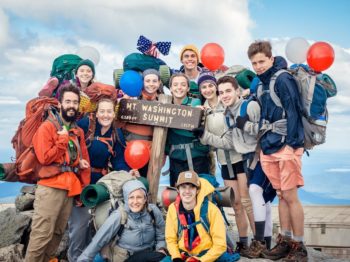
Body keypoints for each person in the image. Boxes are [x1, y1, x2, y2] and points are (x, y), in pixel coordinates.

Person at [196, 75, 276, 258]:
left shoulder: (230, 108)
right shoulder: (203, 110)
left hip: (241, 158)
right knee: (236, 204)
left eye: (211, 86)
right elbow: (222, 141)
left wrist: (205, 136)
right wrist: (203, 133)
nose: (208, 90)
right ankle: (244, 242)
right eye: (204, 87)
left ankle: (259, 242)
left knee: (248, 201)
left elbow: (230, 141)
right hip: (224, 161)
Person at [247, 40, 307, 261]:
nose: (259, 66)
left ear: (271, 58)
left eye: (262, 61)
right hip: (269, 146)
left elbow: (293, 112)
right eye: (254, 63)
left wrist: (292, 146)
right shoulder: (261, 84)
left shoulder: (282, 79)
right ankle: (285, 240)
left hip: (286, 146)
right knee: (281, 196)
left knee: (291, 196)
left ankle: (299, 246)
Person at [25, 83, 90, 262]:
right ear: (59, 104)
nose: (71, 105)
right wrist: (62, 140)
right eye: (67, 101)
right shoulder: (47, 127)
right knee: (41, 235)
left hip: (69, 189)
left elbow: (80, 159)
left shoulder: (77, 131)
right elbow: (44, 158)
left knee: (57, 234)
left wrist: (80, 168)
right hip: (50, 188)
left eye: (75, 102)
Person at [67, 98, 130, 261]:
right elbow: (70, 143)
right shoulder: (85, 125)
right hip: (79, 180)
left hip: (100, 185)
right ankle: (75, 258)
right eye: (102, 111)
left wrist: (128, 173)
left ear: (114, 114)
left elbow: (119, 161)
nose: (106, 115)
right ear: (96, 112)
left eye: (109, 111)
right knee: (79, 226)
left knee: (97, 225)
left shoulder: (116, 133)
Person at [77, 179, 167, 262]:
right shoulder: (119, 215)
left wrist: (161, 248)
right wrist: (83, 260)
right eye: (131, 197)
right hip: (126, 258)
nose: (135, 202)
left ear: (145, 199)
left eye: (139, 197)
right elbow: (99, 240)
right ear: (126, 199)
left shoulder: (153, 211)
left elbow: (161, 235)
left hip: (150, 256)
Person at [162, 170, 240, 262]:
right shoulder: (173, 208)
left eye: (191, 187)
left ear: (197, 190)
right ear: (178, 190)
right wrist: (176, 257)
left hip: (208, 255)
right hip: (182, 255)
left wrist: (201, 260)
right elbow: (170, 239)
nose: (187, 191)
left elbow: (220, 245)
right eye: (183, 187)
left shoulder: (211, 209)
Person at [164, 73, 210, 187]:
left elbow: (193, 125)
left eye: (183, 84)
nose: (179, 87)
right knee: (178, 193)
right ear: (170, 88)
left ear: (188, 88)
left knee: (201, 190)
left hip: (197, 157)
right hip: (176, 158)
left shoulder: (194, 103)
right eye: (175, 85)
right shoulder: (165, 106)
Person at [118, 69, 163, 177]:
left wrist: (162, 155)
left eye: (154, 81)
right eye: (147, 81)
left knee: (147, 186)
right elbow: (118, 124)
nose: (151, 84)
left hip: (151, 152)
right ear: (142, 82)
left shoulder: (163, 103)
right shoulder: (132, 99)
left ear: (159, 83)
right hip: (129, 149)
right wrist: (123, 102)